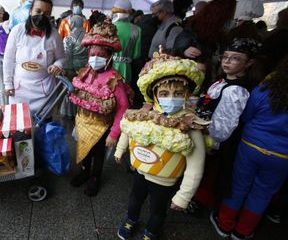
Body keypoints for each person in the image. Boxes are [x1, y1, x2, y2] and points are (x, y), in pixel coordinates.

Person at [115, 53, 207, 240]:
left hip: (165, 181)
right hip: (140, 172)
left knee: (158, 210)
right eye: (164, 93)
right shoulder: (145, 114)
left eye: (178, 93)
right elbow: (130, 130)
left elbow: (197, 164)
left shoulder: (190, 125)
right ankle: (131, 219)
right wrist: (119, 149)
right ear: (154, 95)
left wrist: (183, 196)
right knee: (134, 201)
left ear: (187, 94)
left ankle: (151, 231)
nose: (171, 98)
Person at [211, 55, 288, 240]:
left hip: (251, 146)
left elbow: (246, 116)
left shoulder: (265, 89)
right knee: (263, 193)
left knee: (238, 185)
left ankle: (225, 224)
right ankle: (243, 231)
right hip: (282, 156)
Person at [188, 38, 260, 214]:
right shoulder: (224, 81)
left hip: (217, 141)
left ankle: (199, 201)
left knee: (211, 172)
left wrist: (212, 140)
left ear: (249, 62)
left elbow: (223, 125)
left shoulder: (236, 90)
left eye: (235, 58)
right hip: (207, 132)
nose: (227, 62)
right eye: (225, 57)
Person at [69, 21, 130, 197]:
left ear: (109, 56)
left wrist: (114, 133)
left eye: (100, 55)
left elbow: (123, 107)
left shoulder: (114, 79)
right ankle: (84, 171)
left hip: (101, 124)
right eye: (93, 54)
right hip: (83, 120)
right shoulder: (85, 72)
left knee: (97, 153)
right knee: (84, 148)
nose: (95, 58)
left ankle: (95, 177)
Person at [3, 0, 65, 114]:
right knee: (19, 125)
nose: (42, 15)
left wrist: (58, 65)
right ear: (30, 11)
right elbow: (8, 59)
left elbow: (61, 58)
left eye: (46, 13)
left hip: (44, 93)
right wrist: (7, 83)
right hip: (19, 91)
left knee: (43, 125)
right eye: (38, 11)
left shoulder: (54, 36)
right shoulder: (17, 31)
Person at [172, 0, 237, 92]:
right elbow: (175, 55)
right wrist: (183, 51)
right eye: (230, 18)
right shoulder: (191, 31)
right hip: (192, 86)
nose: (232, 22)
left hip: (212, 84)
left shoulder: (221, 36)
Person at [60, 15, 87, 118]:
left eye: (71, 22)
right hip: (86, 68)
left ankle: (69, 113)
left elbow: (67, 56)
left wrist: (67, 71)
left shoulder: (69, 38)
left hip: (73, 67)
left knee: (70, 90)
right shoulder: (89, 36)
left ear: (73, 24)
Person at [111, 0, 141, 84]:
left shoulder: (109, 27)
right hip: (126, 68)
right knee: (125, 92)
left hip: (110, 65)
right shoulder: (137, 29)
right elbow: (136, 55)